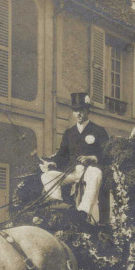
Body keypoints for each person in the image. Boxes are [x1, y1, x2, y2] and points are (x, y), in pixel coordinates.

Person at [40, 92, 109, 221]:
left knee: (96, 174)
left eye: (81, 110)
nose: (78, 114)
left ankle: (83, 212)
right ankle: (57, 202)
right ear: (72, 112)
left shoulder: (98, 131)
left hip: (90, 168)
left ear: (87, 110)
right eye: (75, 110)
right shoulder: (69, 133)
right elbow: (62, 154)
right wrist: (53, 163)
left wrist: (93, 158)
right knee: (47, 176)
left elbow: (107, 153)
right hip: (72, 171)